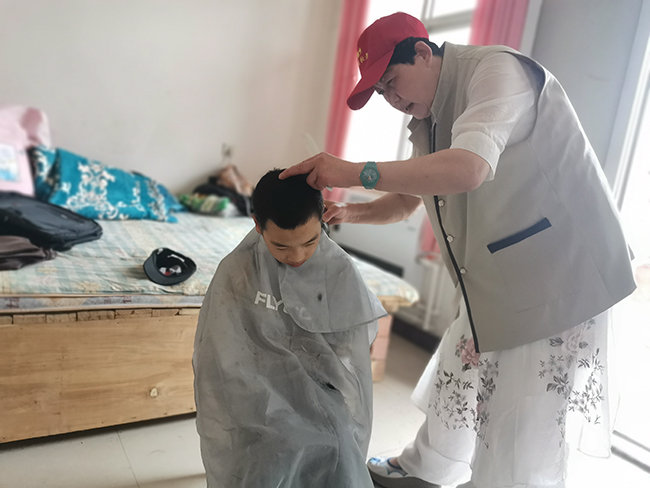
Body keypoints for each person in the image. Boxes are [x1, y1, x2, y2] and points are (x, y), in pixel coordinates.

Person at [280, 11, 636, 488]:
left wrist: (352, 171)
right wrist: (348, 212)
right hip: (500, 275)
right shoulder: (429, 118)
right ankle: (428, 469)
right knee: (460, 368)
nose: (392, 99)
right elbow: (406, 201)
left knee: (519, 413)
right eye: (381, 93)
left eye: (391, 81)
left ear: (422, 53)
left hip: (557, 272)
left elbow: (469, 168)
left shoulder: (497, 72)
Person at [192, 169, 386, 487]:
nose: (297, 256)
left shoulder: (337, 269)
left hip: (318, 383)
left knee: (337, 441)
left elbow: (350, 350)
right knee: (276, 444)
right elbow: (222, 346)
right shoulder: (238, 268)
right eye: (281, 246)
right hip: (251, 382)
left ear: (322, 220)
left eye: (310, 242)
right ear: (258, 225)